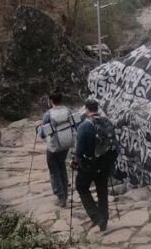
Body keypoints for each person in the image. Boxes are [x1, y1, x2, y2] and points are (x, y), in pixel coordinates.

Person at [71, 98, 119, 232]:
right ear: (97, 108)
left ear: (86, 109)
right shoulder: (106, 121)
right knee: (102, 189)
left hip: (89, 164)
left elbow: (79, 150)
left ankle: (97, 217)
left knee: (81, 187)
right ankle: (104, 219)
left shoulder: (85, 125)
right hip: (105, 162)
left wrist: (74, 161)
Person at [36, 91, 77, 208]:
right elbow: (76, 123)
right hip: (66, 144)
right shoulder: (69, 111)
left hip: (54, 147)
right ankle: (65, 194)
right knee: (62, 167)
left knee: (54, 171)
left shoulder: (48, 115)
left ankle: (61, 197)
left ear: (50, 102)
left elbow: (43, 133)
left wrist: (38, 126)